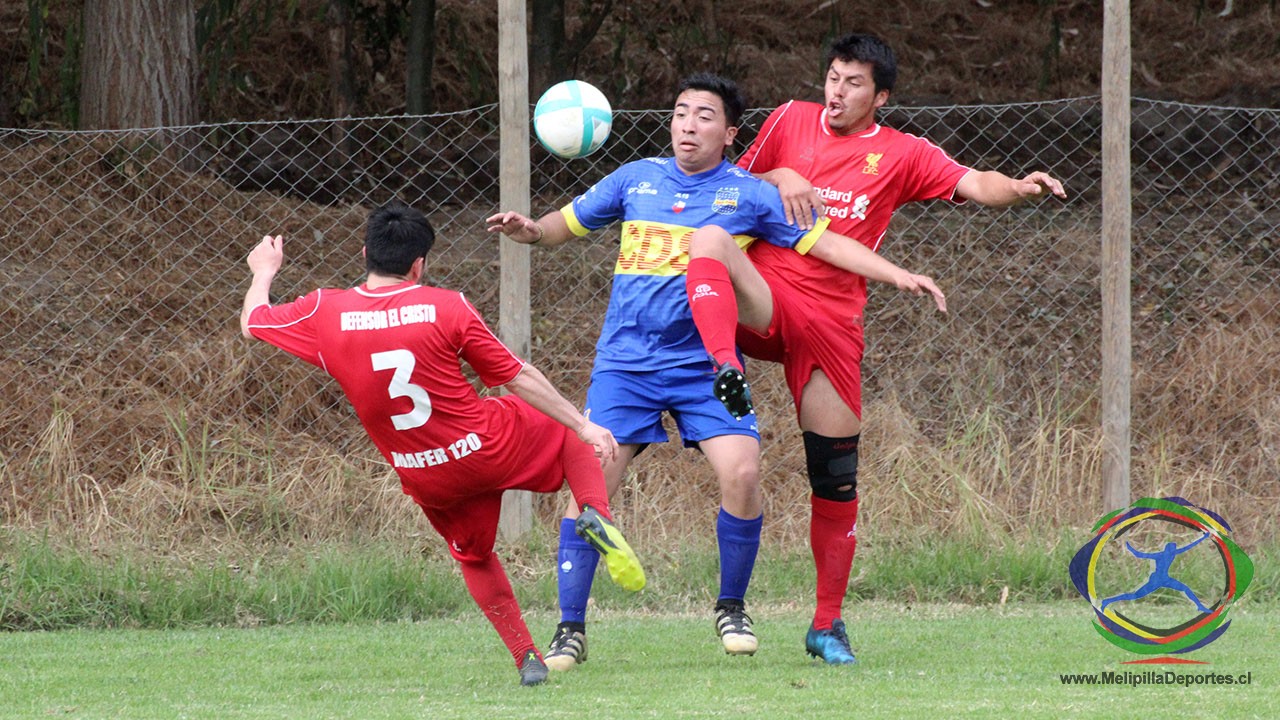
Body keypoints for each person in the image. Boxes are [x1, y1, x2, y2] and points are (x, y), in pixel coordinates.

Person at [486, 73, 945, 669]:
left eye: (705, 116)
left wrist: (896, 274)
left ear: (729, 133)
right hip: (626, 364)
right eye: (680, 113)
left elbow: (826, 243)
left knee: (745, 474)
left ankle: (731, 606)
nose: (688, 125)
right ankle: (569, 628)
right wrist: (529, 231)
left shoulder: (748, 195)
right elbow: (562, 225)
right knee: (591, 489)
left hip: (703, 365)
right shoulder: (636, 178)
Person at [682, 32, 1068, 665]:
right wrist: (783, 172)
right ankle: (718, 368)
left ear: (880, 95)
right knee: (708, 262)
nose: (836, 91)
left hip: (832, 323)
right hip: (765, 296)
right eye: (833, 77)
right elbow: (730, 184)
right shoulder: (788, 119)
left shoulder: (901, 153)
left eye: (853, 82)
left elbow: (974, 182)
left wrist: (1019, 187)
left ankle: (827, 625)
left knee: (835, 481)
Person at [240, 201, 646, 687]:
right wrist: (584, 425)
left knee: (475, 556)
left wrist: (264, 270)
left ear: (365, 252)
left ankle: (527, 658)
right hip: (487, 445)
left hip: (426, 473)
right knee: (561, 424)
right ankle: (594, 512)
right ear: (419, 265)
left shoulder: (325, 310)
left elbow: (254, 321)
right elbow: (516, 376)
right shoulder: (444, 305)